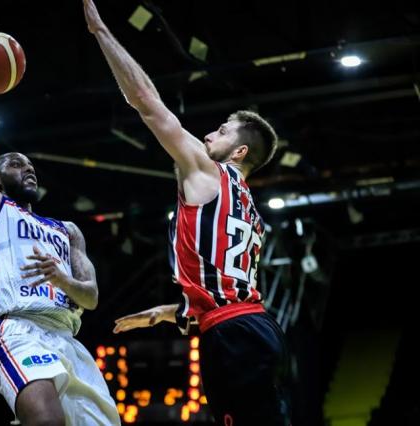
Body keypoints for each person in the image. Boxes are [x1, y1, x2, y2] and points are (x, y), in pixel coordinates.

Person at [82, 1, 291, 425]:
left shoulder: (210, 172)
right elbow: (225, 283)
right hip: (249, 328)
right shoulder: (248, 207)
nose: (209, 134)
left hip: (235, 334)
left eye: (222, 130)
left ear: (239, 151)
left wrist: (101, 32)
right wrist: (168, 312)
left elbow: (146, 102)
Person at [0, 56, 120, 426]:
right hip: (17, 329)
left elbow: (90, 297)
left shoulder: (68, 230)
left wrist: (62, 280)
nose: (28, 167)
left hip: (66, 336)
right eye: (16, 163)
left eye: (30, 165)